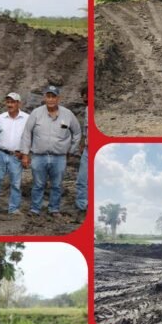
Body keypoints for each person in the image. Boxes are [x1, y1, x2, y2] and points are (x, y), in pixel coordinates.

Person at [20, 85, 81, 217]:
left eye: (53, 96)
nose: (51, 99)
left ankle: (54, 209)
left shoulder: (67, 114)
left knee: (57, 185)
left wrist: (71, 150)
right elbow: (26, 133)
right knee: (38, 184)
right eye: (48, 96)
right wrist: (25, 154)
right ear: (44, 97)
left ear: (58, 98)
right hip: (39, 156)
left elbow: (77, 133)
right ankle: (35, 209)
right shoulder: (36, 113)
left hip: (59, 157)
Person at [0, 92, 28, 216]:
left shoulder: (27, 118)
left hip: (16, 156)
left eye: (13, 102)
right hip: (0, 154)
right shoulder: (0, 118)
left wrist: (26, 153)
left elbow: (29, 137)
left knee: (16, 183)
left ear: (19, 103)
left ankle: (14, 208)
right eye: (8, 102)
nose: (10, 104)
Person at [74, 85, 89, 223]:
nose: (84, 98)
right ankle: (82, 209)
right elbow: (86, 130)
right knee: (82, 181)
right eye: (83, 96)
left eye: (87, 95)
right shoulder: (87, 110)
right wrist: (82, 143)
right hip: (88, 150)